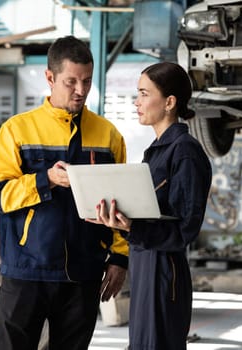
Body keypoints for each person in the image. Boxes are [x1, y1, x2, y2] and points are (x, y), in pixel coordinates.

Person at [0, 35, 129, 350]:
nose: (81, 90)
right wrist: (45, 180)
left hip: (84, 272)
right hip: (27, 271)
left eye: (87, 81)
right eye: (71, 81)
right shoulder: (17, 130)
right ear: (50, 78)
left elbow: (122, 203)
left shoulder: (108, 136)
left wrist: (120, 257)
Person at [88, 62, 212, 349]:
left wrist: (134, 226)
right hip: (145, 264)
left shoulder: (184, 153)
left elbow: (185, 228)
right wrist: (118, 219)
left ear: (169, 102)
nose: (137, 102)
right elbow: (150, 213)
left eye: (144, 94)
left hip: (163, 270)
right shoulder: (156, 152)